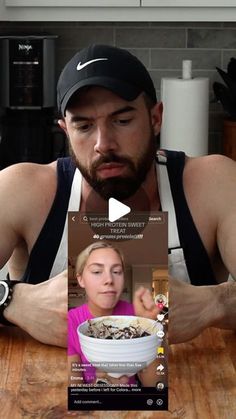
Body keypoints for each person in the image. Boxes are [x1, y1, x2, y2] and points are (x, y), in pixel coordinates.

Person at [0, 44, 235, 347]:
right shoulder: (22, 189)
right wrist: (14, 300)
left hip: (195, 386)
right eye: (84, 126)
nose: (103, 144)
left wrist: (214, 302)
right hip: (39, 389)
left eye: (122, 121)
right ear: (65, 130)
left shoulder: (213, 184)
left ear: (155, 118)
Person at [68, 241, 160, 386]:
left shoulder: (137, 316)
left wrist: (151, 330)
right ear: (81, 279)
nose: (109, 280)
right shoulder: (70, 322)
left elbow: (155, 386)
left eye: (116, 272)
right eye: (97, 272)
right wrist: (101, 385)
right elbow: (73, 392)